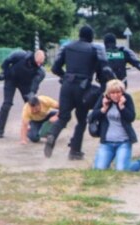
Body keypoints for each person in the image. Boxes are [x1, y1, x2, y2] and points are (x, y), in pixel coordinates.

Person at [45, 25, 112, 160]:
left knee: (63, 117)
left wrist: (65, 77)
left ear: (79, 35)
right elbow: (104, 69)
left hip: (66, 86)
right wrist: (113, 81)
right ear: (91, 37)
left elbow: (55, 68)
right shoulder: (94, 48)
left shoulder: (67, 47)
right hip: (83, 87)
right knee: (81, 120)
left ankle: (52, 134)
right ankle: (74, 151)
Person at [89, 79, 140, 174]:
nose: (115, 95)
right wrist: (103, 109)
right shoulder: (103, 99)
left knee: (122, 170)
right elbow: (91, 117)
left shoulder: (127, 99)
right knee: (99, 170)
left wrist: (122, 107)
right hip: (107, 142)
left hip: (123, 142)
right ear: (108, 93)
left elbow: (131, 117)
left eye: (118, 92)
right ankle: (114, 160)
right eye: (112, 93)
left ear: (122, 92)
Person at [0, 50, 46, 138]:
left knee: (32, 104)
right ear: (34, 57)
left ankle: (34, 129)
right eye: (37, 62)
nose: (39, 65)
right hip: (11, 80)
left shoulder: (40, 71)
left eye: (40, 63)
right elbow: (6, 63)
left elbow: (35, 84)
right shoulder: (20, 55)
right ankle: (0, 131)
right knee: (7, 104)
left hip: (25, 84)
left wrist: (32, 93)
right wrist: (6, 72)